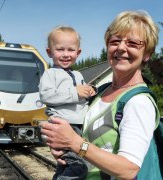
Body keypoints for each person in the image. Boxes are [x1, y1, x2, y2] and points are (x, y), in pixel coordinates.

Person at [40, 10, 160, 179]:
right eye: (115, 41)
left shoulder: (138, 102)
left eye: (133, 43)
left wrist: (74, 143)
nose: (121, 48)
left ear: (147, 53)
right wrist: (61, 145)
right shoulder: (101, 92)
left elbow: (128, 169)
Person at [39, 26, 96, 179]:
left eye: (70, 50)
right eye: (60, 50)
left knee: (65, 164)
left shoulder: (78, 74)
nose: (65, 54)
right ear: (49, 52)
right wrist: (75, 92)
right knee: (80, 166)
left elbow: (81, 97)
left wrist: (89, 91)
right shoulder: (50, 74)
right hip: (64, 125)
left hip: (78, 126)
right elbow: (47, 96)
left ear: (78, 53)